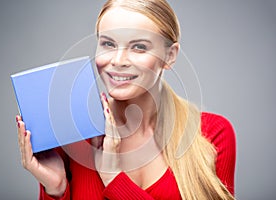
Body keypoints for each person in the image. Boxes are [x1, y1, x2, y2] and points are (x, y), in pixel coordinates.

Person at [16, 0, 236, 199]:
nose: (118, 60)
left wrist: (114, 179)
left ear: (170, 56)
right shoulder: (72, 136)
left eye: (139, 47)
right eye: (108, 44)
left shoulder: (211, 135)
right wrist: (57, 190)